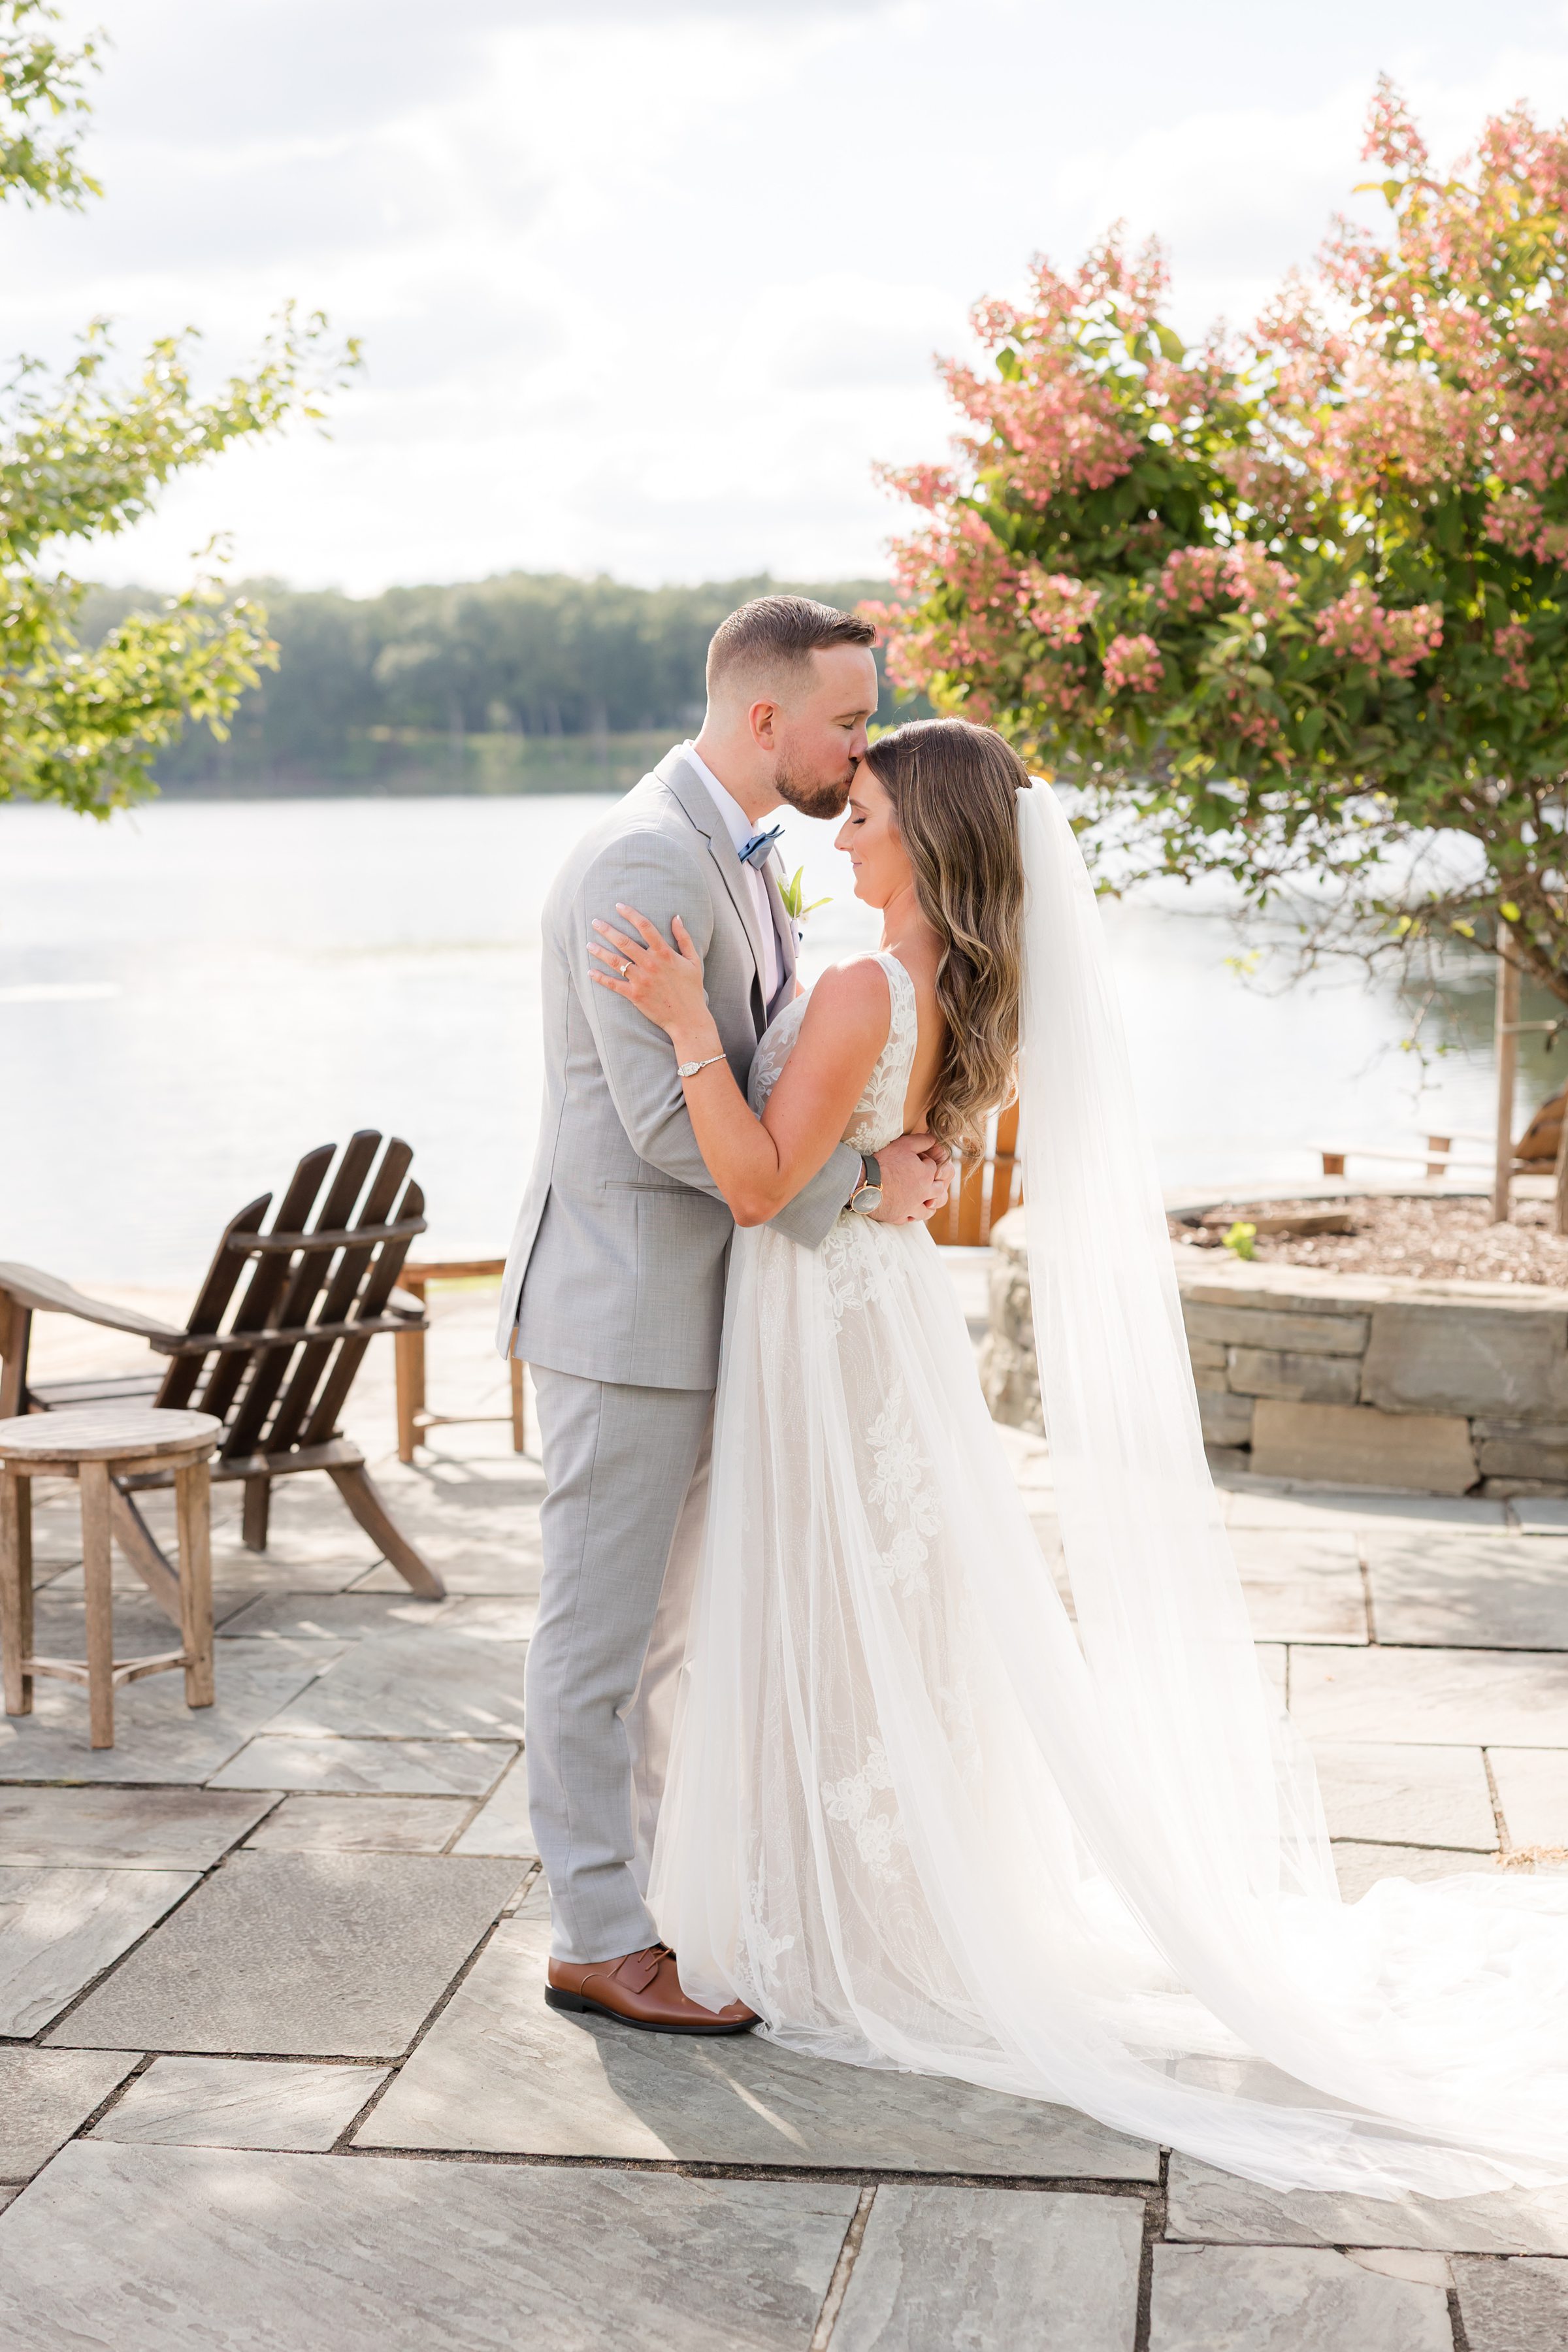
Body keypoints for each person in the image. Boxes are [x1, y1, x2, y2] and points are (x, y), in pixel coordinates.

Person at [590, 713, 1568, 2198]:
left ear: (927, 839)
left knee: (842, 1601)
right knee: (874, 1613)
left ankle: (852, 1916)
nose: (838, 837)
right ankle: (867, 1895)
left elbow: (742, 1180)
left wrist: (680, 1025)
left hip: (828, 1322)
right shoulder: (938, 982)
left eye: (860, 815)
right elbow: (861, 1164)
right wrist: (873, 1167)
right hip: (867, 1303)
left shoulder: (863, 982)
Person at [495, 596, 953, 2035]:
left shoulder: (742, 855)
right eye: (851, 718)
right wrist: (847, 1185)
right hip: (626, 1311)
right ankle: (598, 1937)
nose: (859, 745)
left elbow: (753, 1074)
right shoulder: (648, 854)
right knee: (599, 1643)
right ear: (768, 719)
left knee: (669, 1638)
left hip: (700, 1306)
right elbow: (651, 1122)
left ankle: (640, 1906)